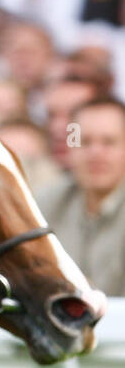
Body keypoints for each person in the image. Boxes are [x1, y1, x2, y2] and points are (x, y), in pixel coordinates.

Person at [38, 98, 125, 295]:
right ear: (70, 148)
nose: (95, 153)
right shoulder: (46, 202)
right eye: (84, 142)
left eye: (109, 142)